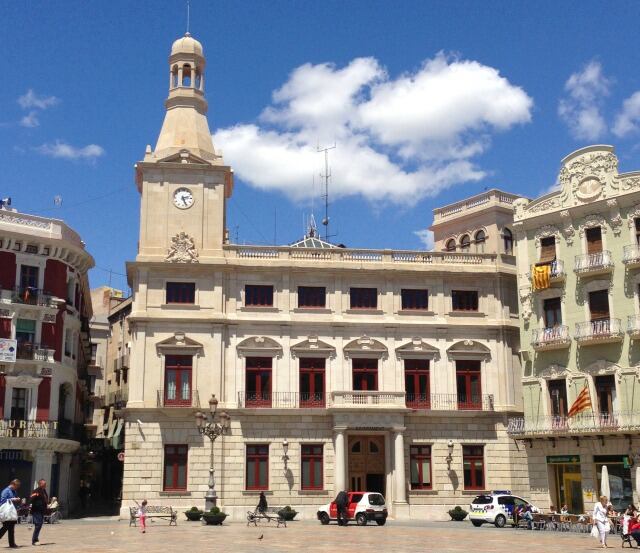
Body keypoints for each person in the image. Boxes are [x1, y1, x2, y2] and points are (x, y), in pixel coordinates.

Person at [0, 479, 21, 549]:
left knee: (11, 529)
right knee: (5, 527)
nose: (17, 488)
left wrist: (17, 502)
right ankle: (12, 543)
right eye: (17, 486)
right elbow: (2, 500)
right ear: (13, 484)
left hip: (12, 512)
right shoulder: (6, 491)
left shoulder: (14, 491)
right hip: (7, 512)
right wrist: (13, 499)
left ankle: (12, 544)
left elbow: (14, 501)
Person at [29, 479, 49, 546]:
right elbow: (31, 499)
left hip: (41, 510)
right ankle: (34, 540)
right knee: (38, 524)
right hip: (36, 510)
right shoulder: (36, 490)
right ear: (40, 484)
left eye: (45, 484)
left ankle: (35, 539)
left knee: (39, 525)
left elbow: (45, 499)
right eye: (44, 484)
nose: (45, 485)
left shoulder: (44, 491)